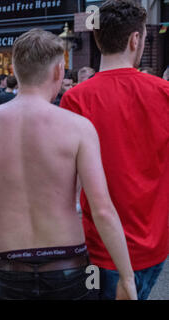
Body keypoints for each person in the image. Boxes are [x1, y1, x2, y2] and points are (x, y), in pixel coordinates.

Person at [0, 28, 137, 300]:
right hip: (67, 265)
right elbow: (102, 210)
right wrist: (126, 277)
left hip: (10, 265)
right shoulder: (78, 128)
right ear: (58, 72)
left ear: (16, 71)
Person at [60, 0, 169, 300]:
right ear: (136, 40)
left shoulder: (75, 99)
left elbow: (67, 183)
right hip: (154, 244)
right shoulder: (164, 94)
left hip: (100, 246)